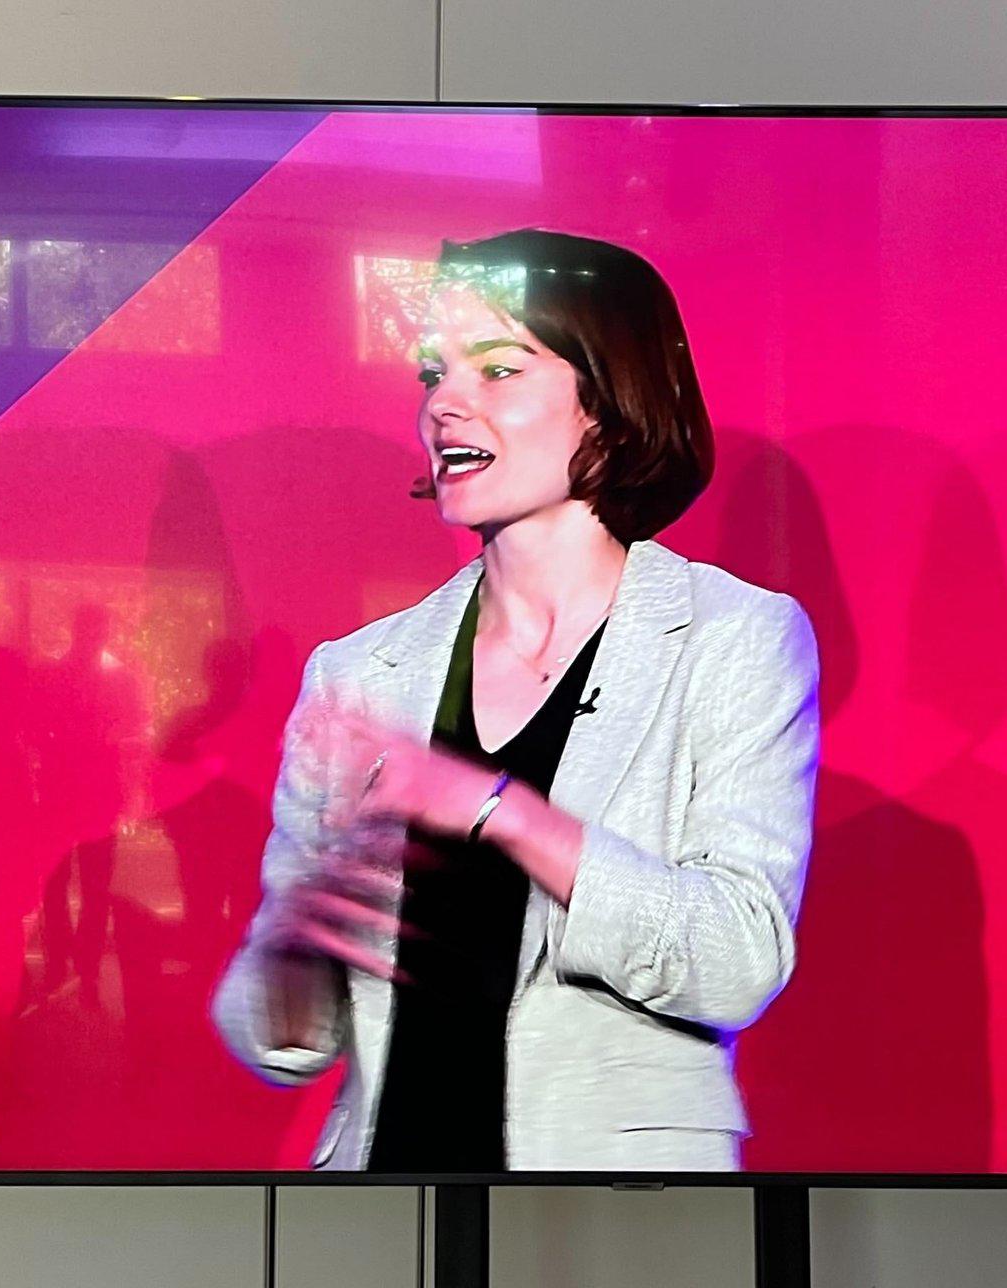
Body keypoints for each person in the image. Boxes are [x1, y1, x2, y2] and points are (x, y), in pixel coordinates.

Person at [211, 228, 820, 1172]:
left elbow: (738, 959)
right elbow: (287, 1037)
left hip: (616, 1213)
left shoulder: (731, 637)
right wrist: (292, 957)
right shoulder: (359, 672)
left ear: (608, 404)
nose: (444, 403)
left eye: (498, 369)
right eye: (433, 374)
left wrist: (503, 812)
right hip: (390, 1197)